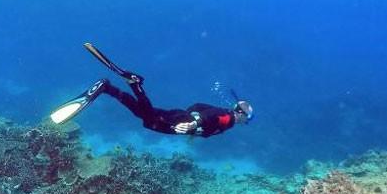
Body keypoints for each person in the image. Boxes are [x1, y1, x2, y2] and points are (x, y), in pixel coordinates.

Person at [50, 43, 254, 137]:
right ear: (241, 114)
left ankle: (108, 88)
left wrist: (190, 117)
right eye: (249, 118)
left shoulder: (224, 111)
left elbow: (200, 106)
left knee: (143, 113)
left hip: (180, 115)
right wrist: (193, 123)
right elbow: (210, 116)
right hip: (181, 121)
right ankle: (135, 84)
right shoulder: (230, 120)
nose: (246, 122)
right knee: (149, 119)